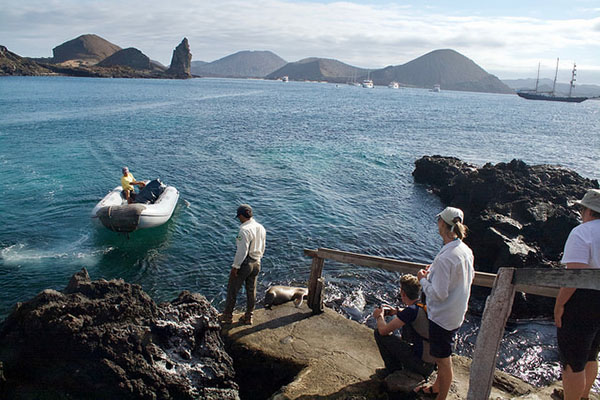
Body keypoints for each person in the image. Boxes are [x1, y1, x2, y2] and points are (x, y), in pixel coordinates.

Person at [415, 206, 474, 399]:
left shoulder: (446, 258)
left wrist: (422, 279)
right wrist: (433, 273)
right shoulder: (465, 251)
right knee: (443, 355)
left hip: (442, 317)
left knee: (443, 360)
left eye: (439, 220)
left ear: (443, 224)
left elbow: (438, 294)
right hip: (456, 312)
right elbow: (462, 279)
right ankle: (436, 387)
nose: (437, 223)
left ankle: (441, 396)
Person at [554, 188, 600, 400]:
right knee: (591, 354)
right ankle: (583, 396)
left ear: (588, 210)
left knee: (573, 362)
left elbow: (575, 275)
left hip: (583, 301)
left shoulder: (582, 232)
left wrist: (560, 304)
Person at [372, 274, 436, 378]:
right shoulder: (423, 305)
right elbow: (412, 313)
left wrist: (379, 316)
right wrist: (396, 311)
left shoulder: (410, 311)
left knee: (379, 334)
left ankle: (392, 369)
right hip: (430, 362)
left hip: (421, 365)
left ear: (403, 293)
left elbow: (383, 331)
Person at [219, 204, 266, 325]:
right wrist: (258, 259)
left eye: (238, 217)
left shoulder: (244, 230)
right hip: (257, 262)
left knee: (232, 289)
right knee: (251, 290)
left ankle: (227, 316)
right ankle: (248, 316)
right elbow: (263, 246)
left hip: (245, 263)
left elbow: (242, 251)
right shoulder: (260, 227)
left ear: (241, 215)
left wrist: (235, 267)